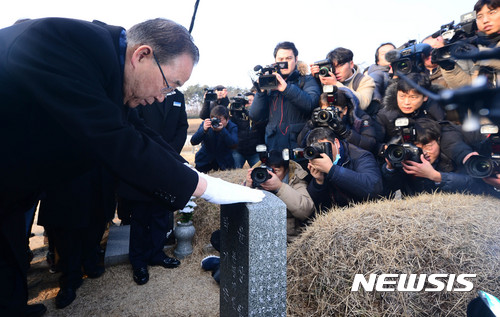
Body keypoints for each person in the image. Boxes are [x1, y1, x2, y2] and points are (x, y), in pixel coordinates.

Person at [0, 17, 263, 316]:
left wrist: (192, 173)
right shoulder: (60, 43)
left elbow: (141, 133)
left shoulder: (110, 73)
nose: (163, 97)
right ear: (142, 55)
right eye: (169, 84)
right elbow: (117, 141)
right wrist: (207, 188)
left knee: (8, 258)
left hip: (11, 188)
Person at [116, 90, 189, 286]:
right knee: (140, 216)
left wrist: (170, 153)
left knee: (161, 213)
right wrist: (155, 152)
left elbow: (182, 126)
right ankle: (138, 261)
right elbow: (135, 124)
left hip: (169, 163)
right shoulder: (147, 91)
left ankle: (157, 253)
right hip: (144, 160)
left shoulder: (179, 97)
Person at [381, 118, 500, 197]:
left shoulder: (451, 157)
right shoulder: (408, 159)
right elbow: (390, 188)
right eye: (417, 146)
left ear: (438, 141)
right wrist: (390, 168)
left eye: (428, 145)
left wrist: (436, 176)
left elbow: (475, 185)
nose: (425, 152)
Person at [249, 41, 321, 151]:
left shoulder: (307, 80)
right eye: (281, 59)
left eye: (288, 58)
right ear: (275, 61)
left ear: (296, 59)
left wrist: (286, 88)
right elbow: (255, 116)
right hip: (274, 147)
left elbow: (310, 104)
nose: (284, 63)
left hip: (299, 145)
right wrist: (261, 92)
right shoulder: (269, 83)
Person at [245, 150, 315, 243]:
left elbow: (306, 210)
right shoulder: (257, 177)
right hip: (260, 238)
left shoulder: (295, 179)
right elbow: (238, 213)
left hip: (287, 241)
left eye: (276, 171)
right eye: (268, 170)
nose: (271, 174)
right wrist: (248, 187)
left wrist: (279, 187)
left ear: (286, 170)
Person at [306, 127, 383, 211]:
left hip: (365, 212)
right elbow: (315, 208)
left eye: (325, 147)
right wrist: (318, 182)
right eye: (318, 149)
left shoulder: (360, 156)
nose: (322, 153)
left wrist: (332, 170)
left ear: (337, 143)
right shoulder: (316, 162)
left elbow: (373, 188)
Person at [375, 73, 446, 157]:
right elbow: (373, 145)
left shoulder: (435, 112)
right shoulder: (385, 116)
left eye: (413, 97)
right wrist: (386, 149)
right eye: (402, 96)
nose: (406, 102)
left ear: (425, 97)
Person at [438, 0, 500, 88]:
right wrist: (449, 68)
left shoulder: (479, 49)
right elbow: (468, 88)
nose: (485, 20)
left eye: (492, 13)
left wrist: (481, 54)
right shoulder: (478, 44)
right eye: (479, 16)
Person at [297, 88, 380, 154]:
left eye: (333, 111)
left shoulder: (359, 119)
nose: (328, 115)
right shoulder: (320, 119)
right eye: (325, 111)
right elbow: (301, 144)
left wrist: (345, 133)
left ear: (345, 110)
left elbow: (370, 145)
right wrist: (311, 124)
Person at [310, 47, 376, 114]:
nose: (336, 71)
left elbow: (363, 104)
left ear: (351, 64)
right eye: (333, 67)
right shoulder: (325, 80)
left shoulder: (365, 80)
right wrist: (314, 79)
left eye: (340, 66)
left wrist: (336, 84)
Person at [191, 105, 238, 173]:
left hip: (224, 164)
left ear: (227, 119)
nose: (217, 122)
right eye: (215, 119)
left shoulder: (232, 127)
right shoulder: (206, 124)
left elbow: (234, 145)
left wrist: (222, 130)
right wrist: (203, 130)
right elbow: (193, 141)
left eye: (220, 120)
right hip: (204, 162)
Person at [230, 92, 266, 168]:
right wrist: (234, 112)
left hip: (254, 151)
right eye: (248, 101)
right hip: (238, 150)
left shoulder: (260, 114)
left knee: (259, 172)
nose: (250, 103)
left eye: (253, 100)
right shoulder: (236, 114)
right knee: (235, 171)